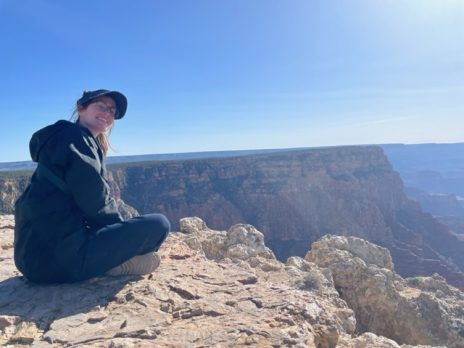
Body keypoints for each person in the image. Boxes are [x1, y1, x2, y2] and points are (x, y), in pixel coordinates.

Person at [14, 89, 170, 284]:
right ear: (81, 108)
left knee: (145, 227)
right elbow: (96, 203)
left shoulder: (64, 138)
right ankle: (110, 266)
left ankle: (106, 262)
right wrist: (123, 239)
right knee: (159, 224)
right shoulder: (75, 140)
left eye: (112, 111)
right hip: (58, 262)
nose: (107, 114)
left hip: (31, 258)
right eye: (101, 106)